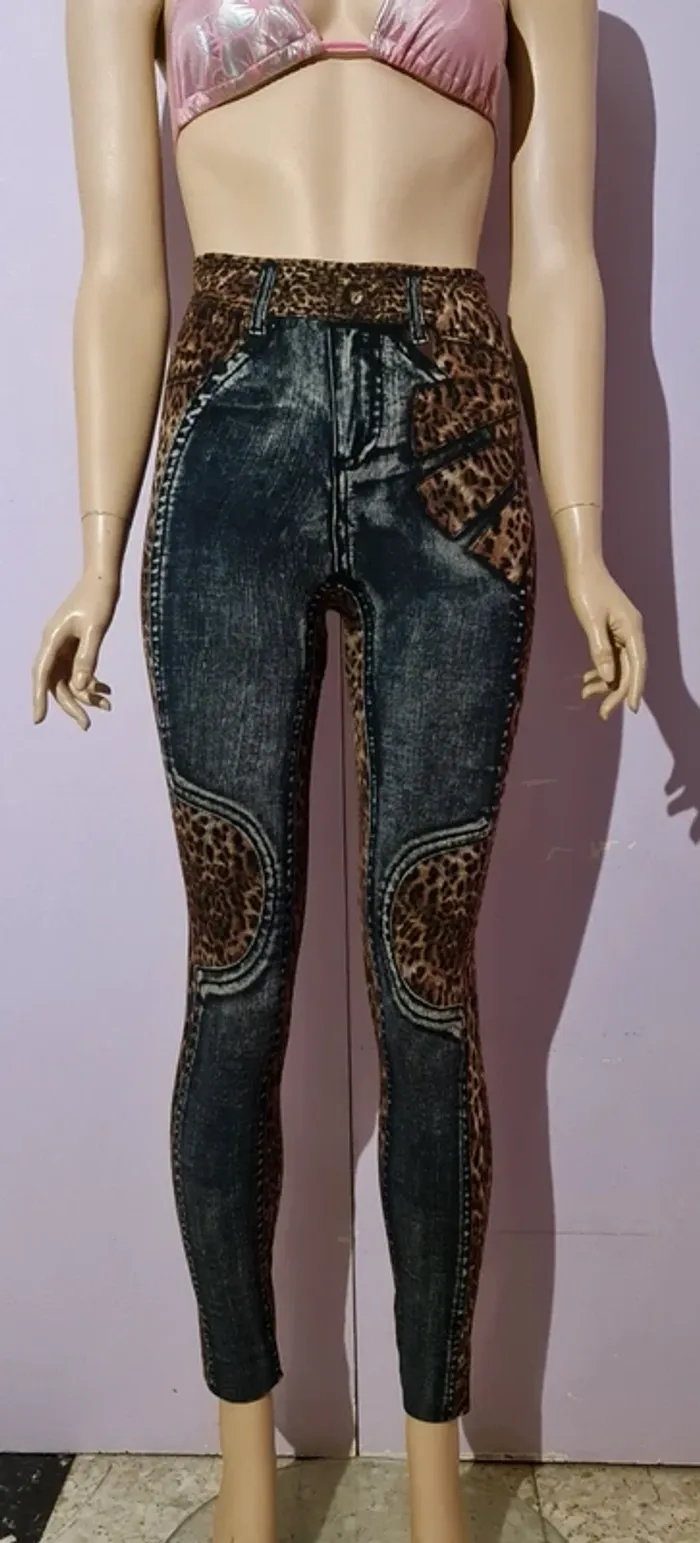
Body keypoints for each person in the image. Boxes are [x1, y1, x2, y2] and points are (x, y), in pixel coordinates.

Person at [31, 2, 647, 1540]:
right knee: (235, 977)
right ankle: (249, 1484)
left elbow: (557, 261)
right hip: (230, 423)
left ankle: (436, 1490)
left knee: (428, 994)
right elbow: (122, 265)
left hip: (455, 426)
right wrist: (96, 554)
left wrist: (588, 543)